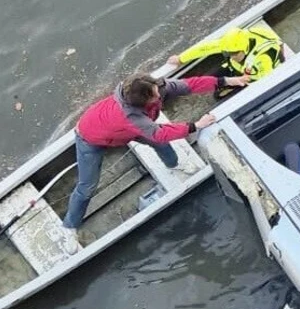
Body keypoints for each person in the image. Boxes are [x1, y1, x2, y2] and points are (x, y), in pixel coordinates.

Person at [63, 72, 247, 236]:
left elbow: (189, 85)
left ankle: (174, 164)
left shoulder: (156, 86)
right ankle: (70, 226)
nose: (160, 93)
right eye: (155, 94)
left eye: (157, 89)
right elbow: (159, 132)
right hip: (91, 139)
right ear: (143, 102)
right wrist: (195, 126)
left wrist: (226, 80)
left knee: (160, 144)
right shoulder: (131, 116)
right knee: (87, 187)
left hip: (126, 132)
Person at [167, 25, 284, 98]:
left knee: (218, 95)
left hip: (251, 76)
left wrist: (237, 82)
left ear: (244, 49)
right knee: (208, 79)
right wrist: (181, 58)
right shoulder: (230, 44)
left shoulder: (262, 59)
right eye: (228, 54)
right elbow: (205, 48)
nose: (231, 56)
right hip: (236, 68)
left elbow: (262, 81)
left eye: (234, 54)